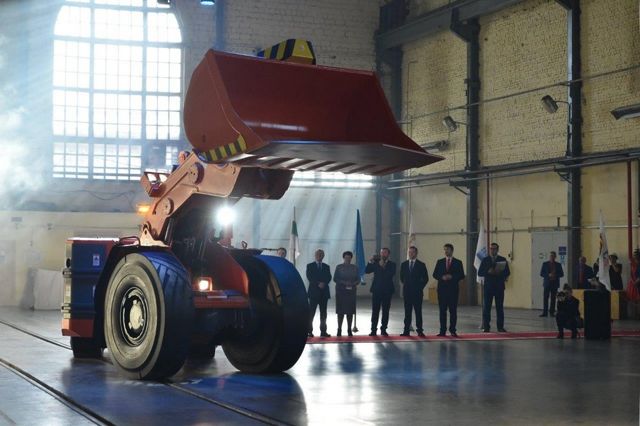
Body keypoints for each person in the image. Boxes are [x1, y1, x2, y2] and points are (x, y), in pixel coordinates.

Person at [432, 243, 465, 337]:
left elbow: (461, 275)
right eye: (445, 249)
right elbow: (435, 274)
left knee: (453, 311)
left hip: (453, 290)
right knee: (442, 311)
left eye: (447, 249)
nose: (446, 251)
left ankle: (453, 330)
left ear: (452, 250)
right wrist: (442, 277)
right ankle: (442, 331)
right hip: (442, 290)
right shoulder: (440, 262)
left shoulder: (458, 262)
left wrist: (452, 277)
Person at [478, 242, 510, 332]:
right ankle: (486, 327)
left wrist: (499, 272)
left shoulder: (502, 259)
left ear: (497, 250)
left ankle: (500, 327)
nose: (493, 250)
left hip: (499, 287)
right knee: (486, 308)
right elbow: (480, 272)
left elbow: (507, 272)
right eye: (491, 249)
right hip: (488, 287)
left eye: (494, 249)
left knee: (499, 308)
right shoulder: (485, 260)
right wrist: (488, 271)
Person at [365, 247, 396, 336]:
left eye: (385, 253)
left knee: (385, 311)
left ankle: (383, 329)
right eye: (381, 252)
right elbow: (367, 271)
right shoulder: (375, 263)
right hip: (376, 290)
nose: (383, 254)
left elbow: (390, 274)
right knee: (375, 311)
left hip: (387, 291)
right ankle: (373, 330)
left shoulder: (392, 264)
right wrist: (370, 261)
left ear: (388, 254)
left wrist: (382, 266)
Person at [400, 246, 428, 337]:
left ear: (416, 253)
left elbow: (425, 278)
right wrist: (407, 285)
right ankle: (406, 330)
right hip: (407, 292)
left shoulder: (421, 265)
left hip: (417, 293)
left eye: (412, 252)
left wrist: (419, 287)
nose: (410, 254)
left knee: (418, 312)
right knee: (407, 312)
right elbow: (401, 277)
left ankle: (420, 330)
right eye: (409, 252)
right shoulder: (404, 264)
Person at [306, 249, 332, 337]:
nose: (319, 256)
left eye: (321, 254)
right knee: (311, 313)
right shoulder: (310, 266)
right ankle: (309, 331)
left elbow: (329, 277)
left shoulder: (326, 266)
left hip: (324, 293)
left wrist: (324, 283)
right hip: (314, 293)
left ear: (323, 256)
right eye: (318, 254)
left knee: (323, 313)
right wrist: (318, 283)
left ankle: (323, 331)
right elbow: (309, 277)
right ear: (315, 255)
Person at [334, 251, 359, 337]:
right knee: (340, 312)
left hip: (351, 292)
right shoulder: (339, 267)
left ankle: (349, 329)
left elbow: (358, 279)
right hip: (341, 292)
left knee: (350, 312)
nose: (347, 259)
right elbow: (335, 278)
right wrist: (344, 283)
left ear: (351, 258)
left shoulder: (355, 268)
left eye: (349, 257)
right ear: (343, 258)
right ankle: (339, 329)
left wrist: (353, 283)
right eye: (346, 257)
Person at [539, 251, 564, 317]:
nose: (551, 257)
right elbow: (541, 273)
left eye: (553, 256)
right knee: (545, 298)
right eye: (551, 256)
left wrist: (555, 275)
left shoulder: (558, 265)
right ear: (549, 257)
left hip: (554, 284)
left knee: (553, 299)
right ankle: (545, 313)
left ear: (555, 257)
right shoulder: (545, 264)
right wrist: (548, 275)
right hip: (547, 283)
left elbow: (562, 274)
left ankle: (552, 312)